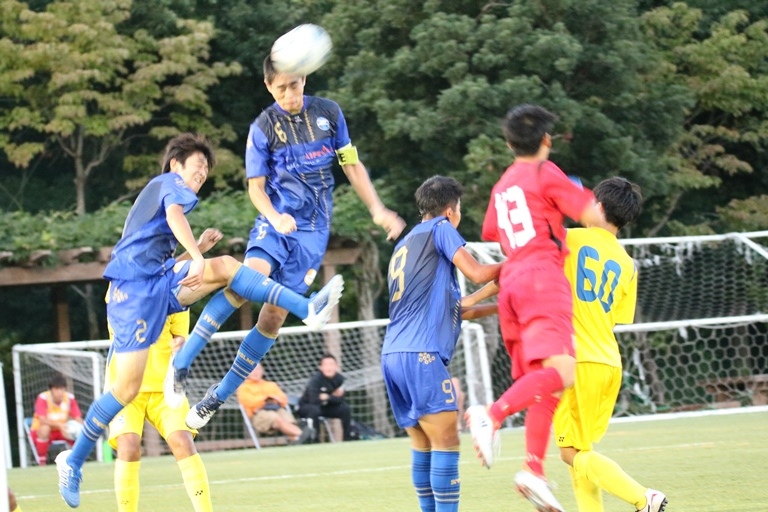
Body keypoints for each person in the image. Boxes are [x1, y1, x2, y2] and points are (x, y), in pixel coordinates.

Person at [56, 133, 344, 509]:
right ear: (176, 163)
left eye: (206, 169)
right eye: (199, 165)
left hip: (158, 285)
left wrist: (197, 254)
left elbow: (162, 251)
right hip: (132, 293)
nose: (203, 173)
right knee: (125, 390)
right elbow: (175, 217)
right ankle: (73, 461)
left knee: (225, 267)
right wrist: (194, 255)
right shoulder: (168, 183)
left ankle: (306, 309)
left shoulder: (163, 205)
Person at [167, 49, 406, 431]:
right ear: (268, 86)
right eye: (281, 89)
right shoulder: (262, 127)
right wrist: (276, 216)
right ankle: (182, 361)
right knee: (249, 278)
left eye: (294, 86)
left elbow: (351, 164)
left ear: (304, 79)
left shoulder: (329, 113)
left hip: (313, 232)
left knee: (273, 316)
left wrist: (377, 209)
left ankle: (216, 397)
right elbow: (256, 188)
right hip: (275, 220)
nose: (289, 95)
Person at [465, 104, 604, 512]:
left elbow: (491, 230)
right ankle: (491, 414)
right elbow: (593, 216)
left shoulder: (502, 184)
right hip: (543, 276)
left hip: (511, 282)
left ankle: (533, 470)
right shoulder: (546, 172)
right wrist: (577, 192)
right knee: (564, 372)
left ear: (509, 144)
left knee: (546, 383)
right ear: (546, 140)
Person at [381, 176, 502, 512]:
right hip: (421, 354)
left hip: (393, 355)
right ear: (450, 211)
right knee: (447, 443)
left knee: (423, 445)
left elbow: (459, 308)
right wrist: (522, 264)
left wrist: (502, 302)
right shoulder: (441, 229)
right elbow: (477, 273)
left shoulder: (406, 244)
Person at [554, 177, 667, 512]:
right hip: (608, 362)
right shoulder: (628, 264)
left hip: (577, 362)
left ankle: (644, 497)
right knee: (581, 451)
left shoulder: (571, 239)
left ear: (598, 206)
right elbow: (615, 318)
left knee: (569, 453)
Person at [107, 228, 222, 512]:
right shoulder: (120, 288)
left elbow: (179, 337)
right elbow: (150, 278)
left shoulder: (176, 299)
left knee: (183, 442)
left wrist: (179, 344)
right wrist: (197, 249)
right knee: (128, 447)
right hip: (126, 388)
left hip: (164, 388)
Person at [237, 362, 314, 445]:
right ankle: (302, 434)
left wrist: (275, 400)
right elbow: (249, 402)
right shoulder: (244, 388)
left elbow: (283, 399)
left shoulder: (271, 385)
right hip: (259, 414)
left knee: (286, 417)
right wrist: (265, 399)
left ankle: (297, 440)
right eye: (252, 370)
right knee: (277, 418)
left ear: (262, 371)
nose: (255, 372)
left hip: (276, 409)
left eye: (258, 369)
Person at [297, 354, 352, 442]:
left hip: (326, 406)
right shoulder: (315, 380)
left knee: (345, 409)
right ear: (321, 367)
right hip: (307, 406)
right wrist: (332, 396)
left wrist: (327, 397)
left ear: (336, 366)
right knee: (315, 410)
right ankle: (315, 441)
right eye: (326, 365)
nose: (329, 368)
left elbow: (341, 399)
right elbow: (313, 399)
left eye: (331, 364)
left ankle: (348, 439)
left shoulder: (340, 379)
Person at [30, 374, 83, 465]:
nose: (59, 392)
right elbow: (42, 420)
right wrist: (59, 425)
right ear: (51, 390)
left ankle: (77, 460)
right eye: (56, 389)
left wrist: (84, 428)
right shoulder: (43, 398)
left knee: (76, 429)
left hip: (62, 431)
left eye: (62, 389)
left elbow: (77, 417)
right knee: (45, 428)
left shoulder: (70, 398)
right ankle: (42, 462)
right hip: (42, 432)